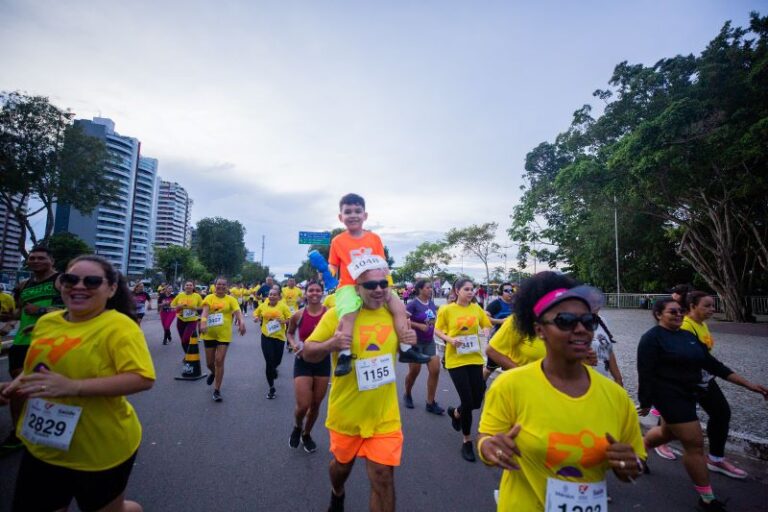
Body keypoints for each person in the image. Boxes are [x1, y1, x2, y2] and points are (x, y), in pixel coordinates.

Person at [0, 254, 155, 511]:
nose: (79, 286)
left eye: (92, 281)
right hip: (42, 445)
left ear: (111, 289)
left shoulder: (120, 327)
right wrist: (14, 386)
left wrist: (74, 387)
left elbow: (142, 378)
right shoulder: (47, 323)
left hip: (99, 449)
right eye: (70, 279)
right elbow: (39, 369)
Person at [478, 273, 644, 511]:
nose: (580, 329)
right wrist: (489, 448)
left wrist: (628, 466)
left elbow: (634, 465)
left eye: (588, 321)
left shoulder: (616, 396)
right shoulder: (509, 386)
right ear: (539, 330)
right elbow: (486, 439)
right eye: (565, 321)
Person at [303, 267, 417, 512]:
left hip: (384, 415)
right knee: (341, 468)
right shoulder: (338, 315)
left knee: (383, 475)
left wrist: (408, 342)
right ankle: (337, 491)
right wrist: (331, 344)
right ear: (356, 288)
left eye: (383, 284)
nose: (378, 289)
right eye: (371, 285)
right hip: (347, 413)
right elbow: (308, 352)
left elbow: (402, 350)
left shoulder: (394, 315)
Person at [637, 298, 768, 511]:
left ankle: (639, 450)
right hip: (668, 396)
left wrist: (749, 385)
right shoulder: (651, 339)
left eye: (680, 311)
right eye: (672, 312)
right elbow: (645, 372)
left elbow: (714, 365)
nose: (679, 314)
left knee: (667, 433)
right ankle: (707, 499)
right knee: (694, 444)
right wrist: (645, 401)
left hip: (690, 393)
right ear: (659, 314)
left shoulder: (687, 336)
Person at [328, 193, 424, 377]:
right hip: (349, 284)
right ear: (341, 217)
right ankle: (344, 354)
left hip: (375, 283)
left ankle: (405, 348)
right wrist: (328, 272)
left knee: (399, 308)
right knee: (349, 312)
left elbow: (383, 265)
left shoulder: (374, 238)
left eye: (357, 211)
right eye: (348, 212)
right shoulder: (337, 241)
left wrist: (389, 286)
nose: (353, 215)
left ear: (365, 215)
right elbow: (333, 265)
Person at [1, 246, 63, 454]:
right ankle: (20, 431)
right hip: (21, 341)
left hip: (50, 340)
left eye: (41, 258)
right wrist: (9, 318)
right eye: (32, 258)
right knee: (20, 386)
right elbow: (19, 311)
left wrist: (41, 310)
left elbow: (71, 309)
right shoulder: (23, 285)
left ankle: (39, 429)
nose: (35, 261)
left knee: (32, 386)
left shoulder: (60, 281)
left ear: (51, 260)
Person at [680, 292, 745, 478]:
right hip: (688, 382)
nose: (712, 309)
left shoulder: (701, 324)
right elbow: (707, 361)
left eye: (712, 305)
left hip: (704, 378)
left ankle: (715, 459)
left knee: (721, 413)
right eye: (707, 306)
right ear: (692, 306)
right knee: (677, 423)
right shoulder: (686, 327)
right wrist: (747, 384)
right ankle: (647, 446)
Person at [434, 278, 492, 462]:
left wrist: (486, 331)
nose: (470, 292)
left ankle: (456, 413)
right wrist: (450, 340)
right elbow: (437, 330)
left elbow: (486, 324)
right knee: (467, 401)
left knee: (476, 402)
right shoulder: (446, 310)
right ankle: (467, 441)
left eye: (472, 289)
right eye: (466, 289)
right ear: (457, 291)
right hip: (456, 360)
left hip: (474, 358)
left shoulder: (476, 308)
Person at [285, 281, 329, 452]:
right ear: (305, 293)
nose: (314, 293)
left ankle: (306, 434)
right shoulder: (298, 315)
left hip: (323, 362)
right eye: (311, 290)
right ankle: (297, 426)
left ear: (322, 293)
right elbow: (289, 333)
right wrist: (293, 344)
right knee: (303, 405)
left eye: (318, 290)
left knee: (316, 405)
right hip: (303, 361)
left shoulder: (330, 314)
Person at [200, 277, 246, 401]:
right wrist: (203, 322)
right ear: (215, 286)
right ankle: (214, 373)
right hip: (209, 334)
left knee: (219, 361)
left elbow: (238, 312)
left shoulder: (231, 299)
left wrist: (241, 322)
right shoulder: (209, 298)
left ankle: (217, 390)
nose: (221, 286)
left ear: (227, 286)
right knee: (210, 363)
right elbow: (205, 312)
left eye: (223, 284)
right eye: (218, 284)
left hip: (224, 335)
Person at [403, 280, 444, 415]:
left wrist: (432, 323)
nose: (430, 290)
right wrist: (418, 325)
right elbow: (402, 319)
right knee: (414, 371)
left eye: (431, 287)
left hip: (429, 341)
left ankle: (430, 403)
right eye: (427, 288)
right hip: (415, 342)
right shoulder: (413, 304)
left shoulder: (431, 304)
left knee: (435, 370)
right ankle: (407, 394)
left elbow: (432, 319)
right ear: (420, 289)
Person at [253, 286, 292, 399]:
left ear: (279, 296)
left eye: (274, 295)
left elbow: (290, 319)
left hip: (279, 338)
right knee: (269, 361)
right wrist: (256, 318)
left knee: (277, 361)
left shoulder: (283, 306)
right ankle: (271, 387)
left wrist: (283, 321)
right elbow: (256, 313)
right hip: (266, 336)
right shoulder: (264, 305)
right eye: (270, 294)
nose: (272, 296)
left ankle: (274, 368)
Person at [483, 283, 515, 379]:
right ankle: (479, 385)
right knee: (490, 369)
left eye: (511, 290)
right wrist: (501, 321)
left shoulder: (516, 304)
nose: (510, 293)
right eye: (506, 291)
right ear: (501, 293)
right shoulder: (495, 304)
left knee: (511, 368)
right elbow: (485, 318)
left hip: (513, 342)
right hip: (497, 341)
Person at [591, 308, 624, 386]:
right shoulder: (573, 323)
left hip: (602, 383)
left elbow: (608, 349)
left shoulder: (601, 320)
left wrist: (618, 378)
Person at [170, 281, 204, 356]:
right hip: (181, 319)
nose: (188, 286)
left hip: (192, 320)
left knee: (186, 338)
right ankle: (188, 355)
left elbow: (202, 307)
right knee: (183, 340)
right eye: (187, 285)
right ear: (184, 287)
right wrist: (178, 307)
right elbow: (172, 305)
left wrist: (195, 308)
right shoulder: (180, 295)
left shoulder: (197, 296)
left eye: (190, 285)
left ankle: (189, 355)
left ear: (193, 287)